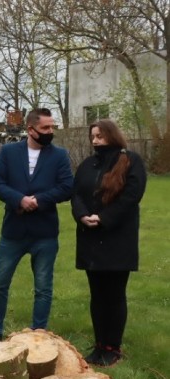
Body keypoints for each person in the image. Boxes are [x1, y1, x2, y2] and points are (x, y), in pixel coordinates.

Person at [0, 108, 73, 343]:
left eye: (52, 127)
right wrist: (20, 200)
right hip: (13, 231)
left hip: (44, 232)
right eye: (46, 128)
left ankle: (38, 335)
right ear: (30, 129)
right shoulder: (9, 152)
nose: (50, 131)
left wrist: (39, 200)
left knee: (43, 286)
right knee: (0, 282)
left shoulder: (59, 155)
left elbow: (67, 186)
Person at [71, 119, 146, 366]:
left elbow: (131, 197)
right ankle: (99, 344)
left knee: (114, 295)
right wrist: (83, 216)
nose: (95, 141)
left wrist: (104, 218)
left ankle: (113, 347)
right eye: (93, 136)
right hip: (90, 238)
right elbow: (77, 194)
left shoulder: (131, 161)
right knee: (97, 295)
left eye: (100, 136)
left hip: (117, 239)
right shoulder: (87, 164)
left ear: (112, 136)